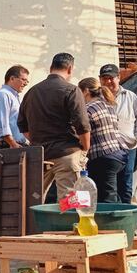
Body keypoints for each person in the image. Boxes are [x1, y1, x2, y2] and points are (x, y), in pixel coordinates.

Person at [18, 53, 90, 200]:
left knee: (34, 199)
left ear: (51, 68)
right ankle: (67, 224)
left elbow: (22, 126)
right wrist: (85, 147)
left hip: (40, 155)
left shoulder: (31, 92)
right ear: (70, 69)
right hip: (67, 153)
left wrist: (40, 139)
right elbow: (82, 124)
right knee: (70, 200)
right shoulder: (72, 90)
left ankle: (36, 223)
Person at [99, 64, 137, 204]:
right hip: (105, 149)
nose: (108, 82)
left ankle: (126, 215)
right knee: (108, 186)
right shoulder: (97, 97)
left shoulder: (130, 96)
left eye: (111, 78)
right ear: (100, 80)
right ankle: (111, 218)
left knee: (126, 184)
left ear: (118, 78)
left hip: (127, 147)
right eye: (105, 78)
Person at [78, 78, 127, 203]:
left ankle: (111, 222)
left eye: (79, 92)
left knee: (107, 198)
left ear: (86, 91)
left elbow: (81, 133)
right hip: (119, 154)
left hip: (104, 156)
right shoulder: (108, 106)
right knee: (114, 194)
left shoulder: (87, 109)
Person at [0, 65, 30, 149]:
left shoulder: (13, 96)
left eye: (27, 81)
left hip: (14, 145)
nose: (25, 83)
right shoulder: (3, 95)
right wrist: (13, 144)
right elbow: (2, 124)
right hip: (8, 146)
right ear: (12, 78)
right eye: (23, 80)